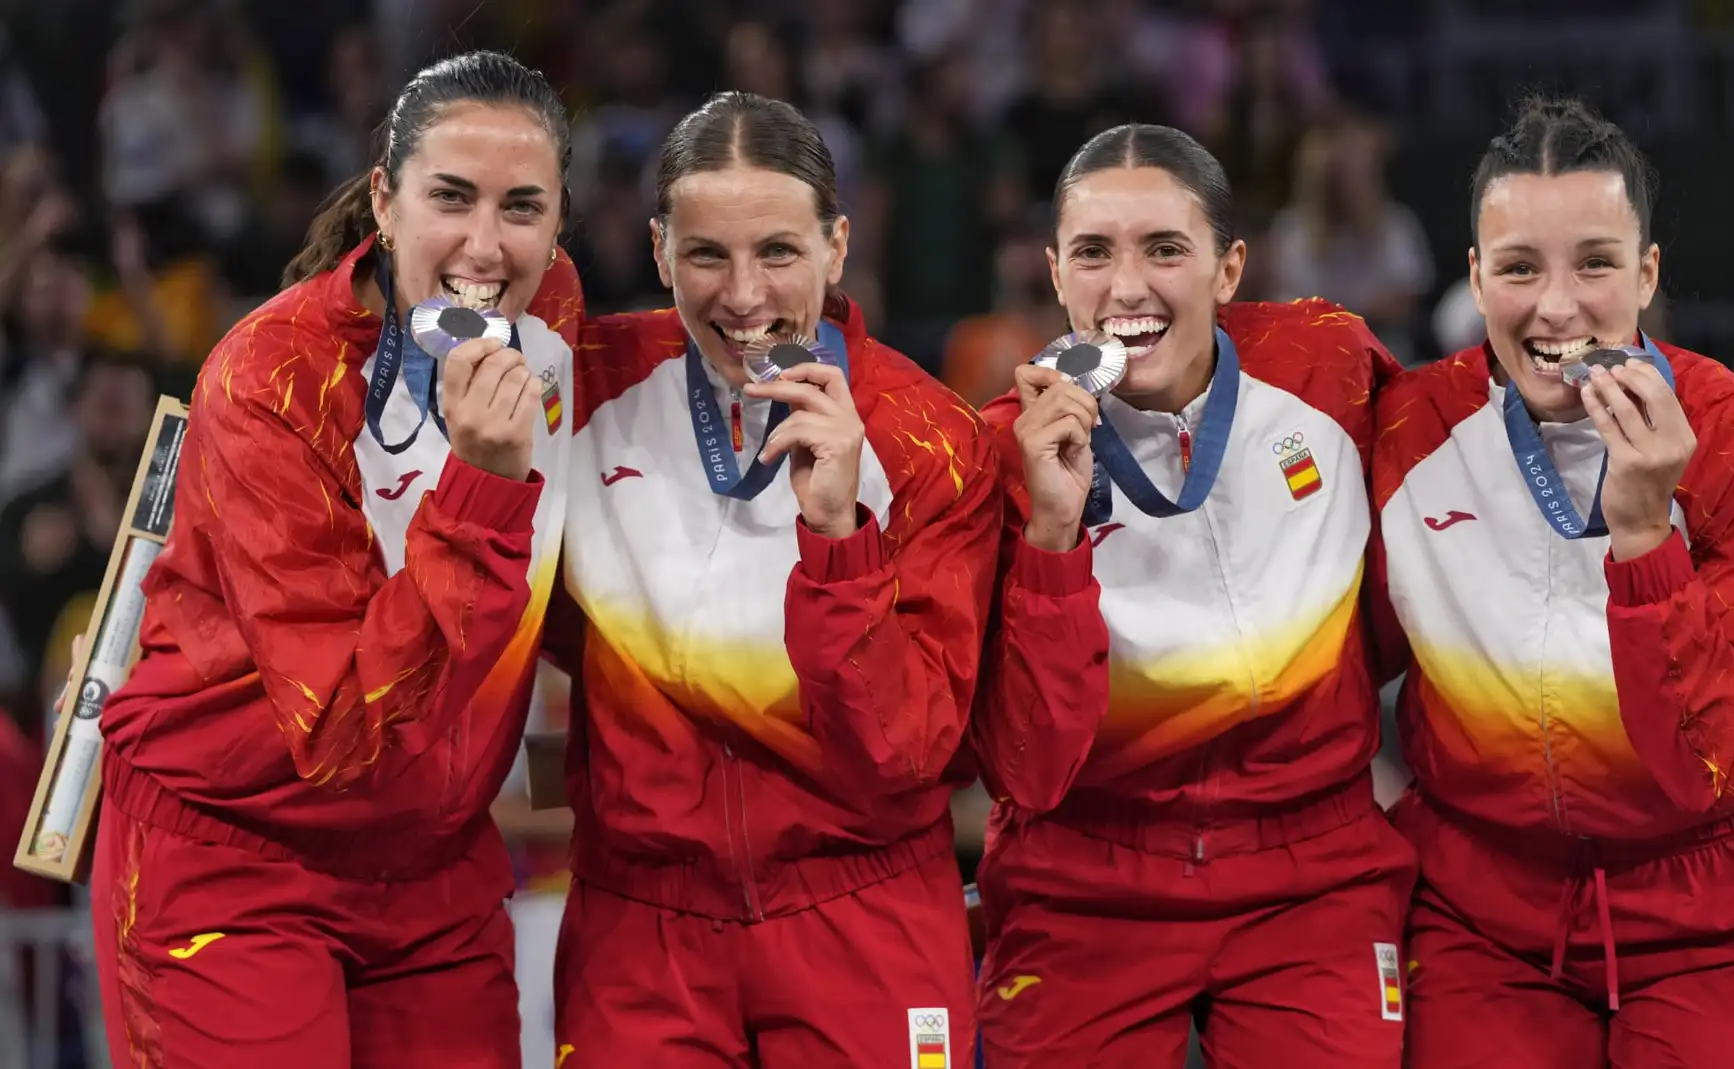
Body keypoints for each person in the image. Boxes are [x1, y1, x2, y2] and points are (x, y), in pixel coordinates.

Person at [85, 50, 583, 1069]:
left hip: (433, 865)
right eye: (451, 197)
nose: (486, 246)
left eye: (522, 207)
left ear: (561, 220)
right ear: (383, 200)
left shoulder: (556, 315)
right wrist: (483, 489)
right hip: (238, 856)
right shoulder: (272, 377)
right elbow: (345, 730)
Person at [1369, 96, 1734, 1067]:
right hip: (1479, 916)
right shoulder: (1408, 434)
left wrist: (1640, 538)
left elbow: (1725, 769)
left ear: (1646, 273)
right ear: (1474, 277)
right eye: (1519, 268)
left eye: (1594, 263)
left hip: (1711, 911)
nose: (1557, 306)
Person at [552, 91, 1001, 1068]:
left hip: (862, 903)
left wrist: (837, 535)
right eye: (707, 254)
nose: (743, 295)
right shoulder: (585, 390)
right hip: (642, 919)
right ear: (660, 248)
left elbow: (908, 748)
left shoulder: (932, 442)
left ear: (837, 246)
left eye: (779, 253)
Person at [970, 123, 1413, 1068]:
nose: (1127, 288)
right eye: (1093, 253)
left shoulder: (1328, 367)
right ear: (1055, 273)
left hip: (1313, 874)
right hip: (1084, 877)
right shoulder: (997, 452)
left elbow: (1468, 463)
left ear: (1228, 267)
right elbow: (1025, 767)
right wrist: (1052, 536)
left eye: (1165, 248)